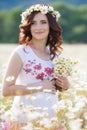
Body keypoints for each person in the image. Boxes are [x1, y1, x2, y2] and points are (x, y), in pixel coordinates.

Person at [2, 4, 69, 130]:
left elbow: (60, 87)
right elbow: (6, 90)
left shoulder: (54, 56)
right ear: (28, 26)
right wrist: (38, 87)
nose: (38, 27)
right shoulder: (21, 52)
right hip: (24, 121)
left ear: (51, 26)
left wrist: (65, 84)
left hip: (50, 122)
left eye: (43, 22)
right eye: (33, 23)